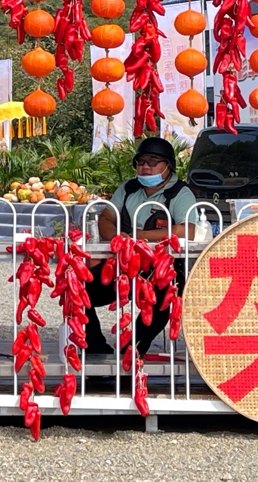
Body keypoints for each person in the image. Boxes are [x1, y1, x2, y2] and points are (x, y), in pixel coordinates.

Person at [83, 137, 196, 356]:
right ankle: (96, 349)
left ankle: (130, 353)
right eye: (141, 162)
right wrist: (118, 238)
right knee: (79, 291)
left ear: (168, 166)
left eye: (152, 162)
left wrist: (140, 237)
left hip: (161, 270)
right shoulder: (128, 188)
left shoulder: (180, 193)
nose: (145, 167)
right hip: (122, 267)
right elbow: (106, 218)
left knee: (161, 306)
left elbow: (186, 230)